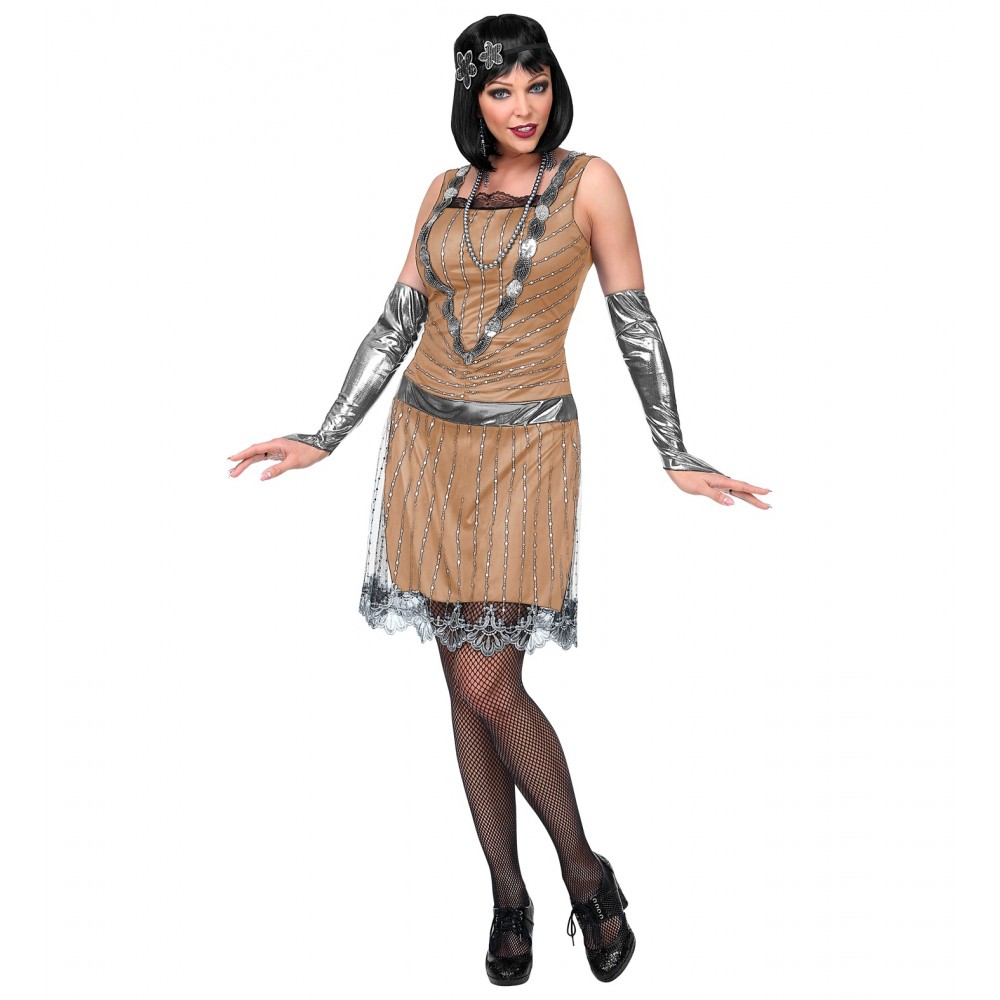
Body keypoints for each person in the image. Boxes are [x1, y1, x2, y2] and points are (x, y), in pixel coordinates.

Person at [228, 12, 771, 987]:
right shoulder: (444, 191)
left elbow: (634, 322)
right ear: (470, 99)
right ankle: (506, 894)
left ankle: (584, 873)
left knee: (489, 684)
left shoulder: (590, 181)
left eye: (536, 84)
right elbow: (397, 320)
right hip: (427, 446)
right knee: (462, 689)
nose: (524, 106)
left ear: (555, 85)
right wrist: (324, 433)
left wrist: (673, 448)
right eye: (500, 90)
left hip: (527, 452)